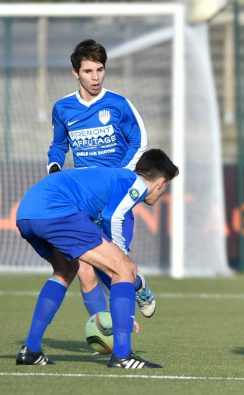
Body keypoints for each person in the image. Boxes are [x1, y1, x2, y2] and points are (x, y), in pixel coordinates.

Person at [15, 149, 178, 368]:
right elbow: (114, 217)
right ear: (161, 182)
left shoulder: (114, 178)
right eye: (166, 187)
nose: (163, 193)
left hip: (27, 212)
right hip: (55, 210)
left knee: (65, 270)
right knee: (124, 267)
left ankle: (31, 349)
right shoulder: (134, 183)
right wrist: (122, 262)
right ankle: (122, 355)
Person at [47, 39, 155, 319]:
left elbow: (139, 140)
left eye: (100, 70)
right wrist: (55, 167)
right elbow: (59, 145)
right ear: (75, 73)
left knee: (116, 266)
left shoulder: (118, 104)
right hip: (83, 197)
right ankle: (107, 333)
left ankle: (138, 284)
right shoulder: (63, 108)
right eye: (88, 71)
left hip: (115, 196)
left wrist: (120, 174)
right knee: (84, 268)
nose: (95, 77)